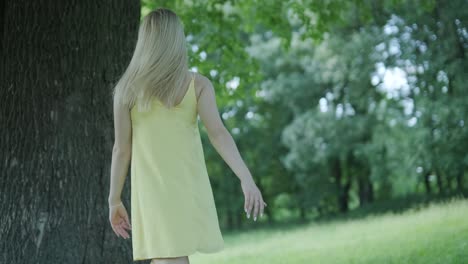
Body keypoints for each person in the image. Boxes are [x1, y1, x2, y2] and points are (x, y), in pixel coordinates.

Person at [107, 8, 267, 264]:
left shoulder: (126, 90)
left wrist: (114, 199)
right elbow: (219, 134)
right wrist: (245, 178)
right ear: (177, 41)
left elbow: (121, 150)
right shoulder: (197, 84)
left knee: (170, 257)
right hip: (186, 187)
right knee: (173, 257)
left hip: (154, 193)